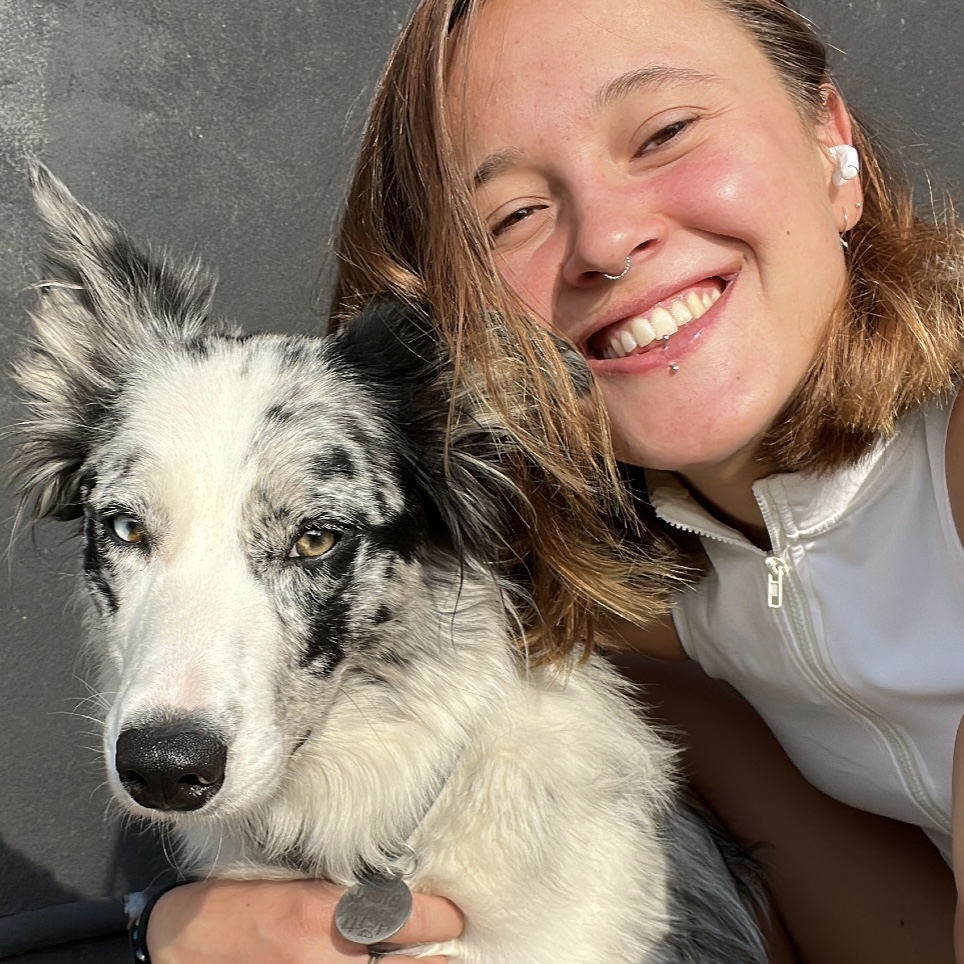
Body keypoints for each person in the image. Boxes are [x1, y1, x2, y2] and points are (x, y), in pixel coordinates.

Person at [142, 0, 964, 961]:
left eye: (664, 133)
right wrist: (177, 932)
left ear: (831, 142)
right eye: (516, 214)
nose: (607, 241)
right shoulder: (647, 614)